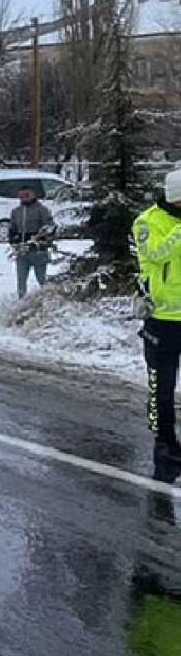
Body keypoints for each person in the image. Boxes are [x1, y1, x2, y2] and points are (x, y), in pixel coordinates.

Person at [133, 169, 181, 468]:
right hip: (162, 318)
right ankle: (164, 440)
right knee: (161, 385)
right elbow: (155, 253)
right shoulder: (147, 221)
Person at [8, 184, 56, 298]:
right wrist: (13, 241)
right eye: (21, 196)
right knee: (21, 279)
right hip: (22, 250)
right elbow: (12, 229)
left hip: (38, 250)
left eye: (26, 195)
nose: (24, 198)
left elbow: (49, 228)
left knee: (41, 278)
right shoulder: (16, 212)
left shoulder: (42, 210)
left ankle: (47, 298)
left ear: (33, 195)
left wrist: (43, 240)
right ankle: (21, 299)